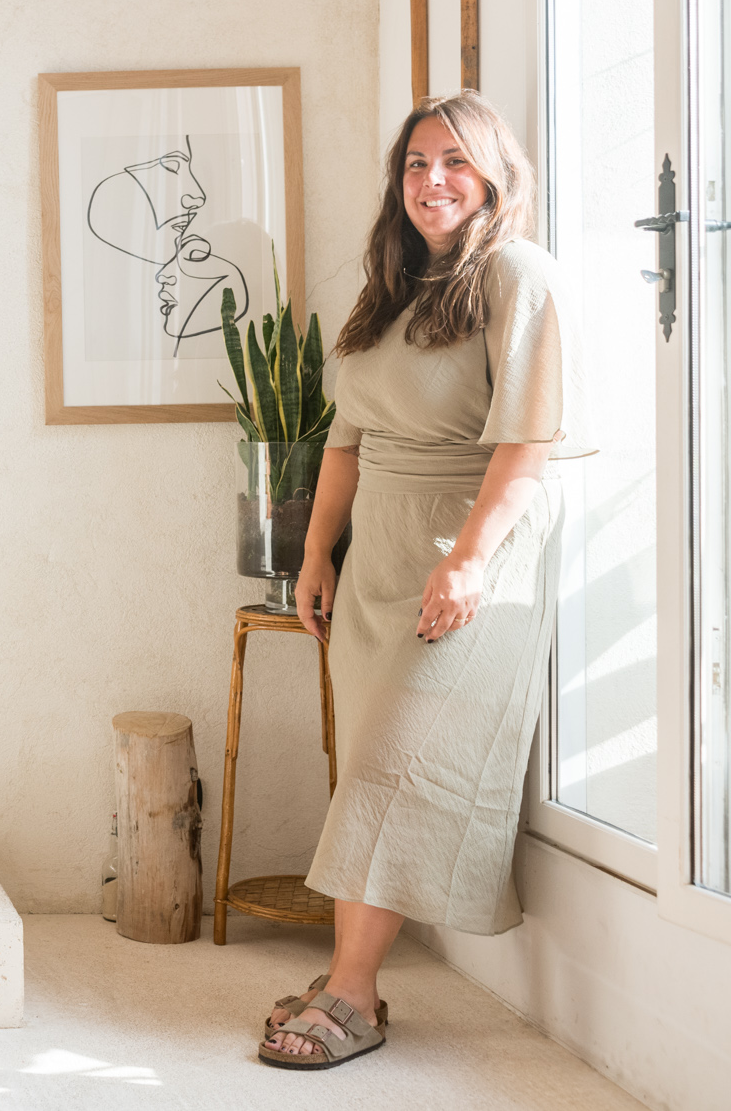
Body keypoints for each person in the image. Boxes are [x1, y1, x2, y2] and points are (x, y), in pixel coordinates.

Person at [256, 90, 589, 1070]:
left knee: (389, 770)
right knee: (369, 765)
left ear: (494, 175)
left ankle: (352, 993)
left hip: (466, 545)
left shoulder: (516, 275)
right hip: (378, 556)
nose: (430, 179)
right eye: (414, 162)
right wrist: (318, 553)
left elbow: (529, 440)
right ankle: (347, 977)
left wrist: (470, 557)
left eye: (453, 161)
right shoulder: (391, 291)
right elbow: (345, 443)